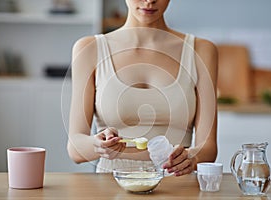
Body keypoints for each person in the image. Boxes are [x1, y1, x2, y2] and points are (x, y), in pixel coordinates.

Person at [67, 0, 218, 176]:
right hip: (111, 183)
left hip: (177, 181)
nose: (149, 1)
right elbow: (75, 149)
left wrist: (191, 158)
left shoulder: (202, 50)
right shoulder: (89, 49)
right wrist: (99, 146)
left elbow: (208, 149)